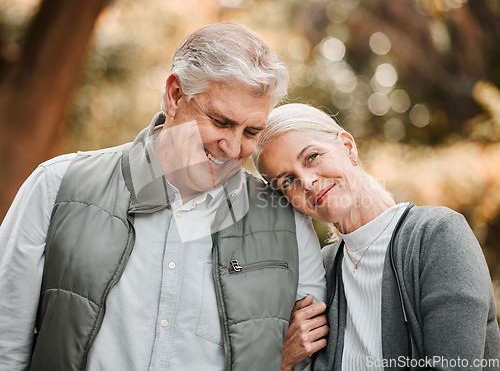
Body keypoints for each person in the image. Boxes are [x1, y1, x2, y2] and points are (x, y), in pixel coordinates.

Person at [0, 24, 327, 371]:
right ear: (175, 94)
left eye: (251, 132)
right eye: (220, 121)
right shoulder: (56, 185)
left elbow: (309, 358)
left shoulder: (286, 221)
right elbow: (6, 343)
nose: (233, 148)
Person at [254, 103, 500, 370]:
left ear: (348, 148)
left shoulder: (436, 236)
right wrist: (282, 360)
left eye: (311, 157)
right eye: (287, 181)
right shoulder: (321, 271)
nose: (308, 182)